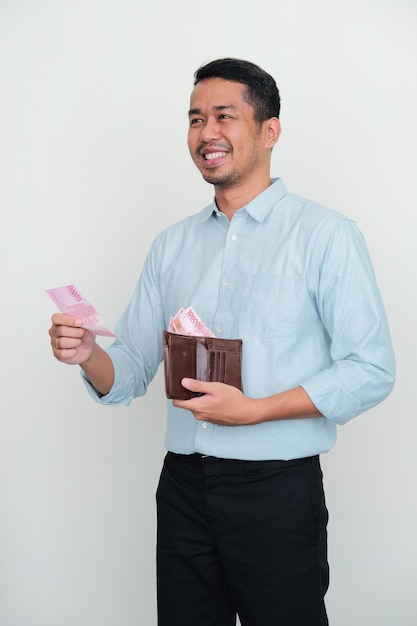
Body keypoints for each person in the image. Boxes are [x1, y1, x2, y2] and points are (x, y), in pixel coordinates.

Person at [49, 58, 395, 626]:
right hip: (183, 485)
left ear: (269, 130)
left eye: (224, 116)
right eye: (194, 118)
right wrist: (87, 355)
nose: (206, 132)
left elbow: (370, 368)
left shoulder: (326, 235)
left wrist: (256, 411)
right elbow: (132, 370)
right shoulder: (171, 245)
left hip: (277, 488)